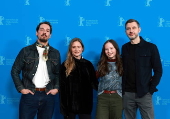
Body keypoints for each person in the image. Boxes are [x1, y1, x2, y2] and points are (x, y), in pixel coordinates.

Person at [11, 21, 61, 119]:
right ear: (36, 33)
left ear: (50, 35)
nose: (44, 32)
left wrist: (56, 88)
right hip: (30, 95)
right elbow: (15, 71)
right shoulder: (26, 51)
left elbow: (58, 73)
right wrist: (21, 88)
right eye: (42, 30)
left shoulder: (55, 53)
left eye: (47, 31)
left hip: (48, 96)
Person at [121, 19, 162, 119]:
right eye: (128, 29)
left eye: (134, 28)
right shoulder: (124, 48)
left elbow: (158, 70)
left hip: (144, 93)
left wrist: (150, 90)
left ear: (139, 29)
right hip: (127, 94)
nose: (131, 31)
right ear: (125, 31)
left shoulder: (151, 47)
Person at [59, 38, 98, 119]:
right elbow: (62, 87)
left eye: (78, 47)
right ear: (70, 49)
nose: (76, 49)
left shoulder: (88, 65)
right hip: (69, 106)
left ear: (82, 48)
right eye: (74, 47)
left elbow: (94, 83)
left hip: (85, 106)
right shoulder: (65, 65)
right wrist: (64, 108)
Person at [95, 39, 123, 119]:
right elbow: (93, 79)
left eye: (111, 48)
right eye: (106, 49)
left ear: (116, 49)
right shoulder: (101, 63)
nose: (109, 51)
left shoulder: (122, 63)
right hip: (103, 97)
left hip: (117, 97)